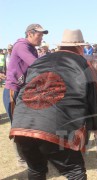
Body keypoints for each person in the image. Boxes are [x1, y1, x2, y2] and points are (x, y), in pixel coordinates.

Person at [10, 29, 97, 179]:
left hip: (21, 127)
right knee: (75, 172)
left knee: (36, 170)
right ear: (80, 47)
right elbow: (95, 99)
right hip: (54, 128)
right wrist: (96, 127)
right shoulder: (83, 63)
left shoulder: (40, 60)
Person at [3, 23, 48, 167]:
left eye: (42, 35)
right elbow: (36, 64)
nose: (41, 38)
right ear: (30, 34)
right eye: (39, 35)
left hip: (25, 91)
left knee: (30, 124)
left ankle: (32, 155)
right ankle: (21, 158)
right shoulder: (21, 46)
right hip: (14, 91)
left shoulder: (32, 48)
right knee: (17, 126)